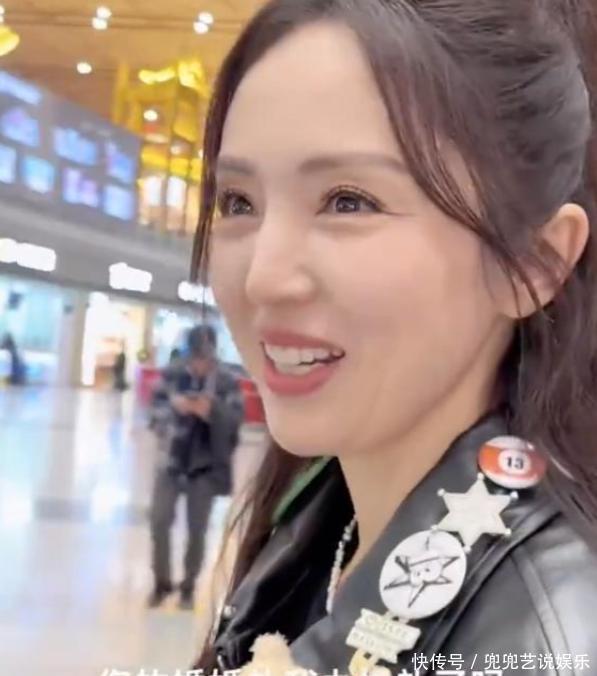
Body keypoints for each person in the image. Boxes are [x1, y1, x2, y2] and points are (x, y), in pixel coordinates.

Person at [190, 0, 597, 672]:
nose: (263, 277)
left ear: (534, 264)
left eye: (348, 201)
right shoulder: (321, 528)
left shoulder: (543, 636)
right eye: (238, 202)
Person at [148, 325, 244, 610]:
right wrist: (175, 408)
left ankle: (189, 585)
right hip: (171, 462)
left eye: (206, 358)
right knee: (159, 520)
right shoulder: (171, 375)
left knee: (197, 528)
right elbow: (153, 413)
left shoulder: (226, 381)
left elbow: (236, 420)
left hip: (205, 466)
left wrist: (211, 411)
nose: (200, 365)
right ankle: (161, 582)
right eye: (196, 358)